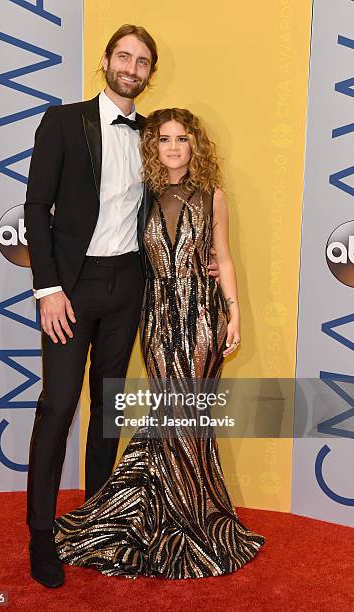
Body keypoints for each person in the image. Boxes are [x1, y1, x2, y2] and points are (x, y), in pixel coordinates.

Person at [24, 24, 219, 588]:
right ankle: (41, 535)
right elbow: (37, 209)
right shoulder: (63, 122)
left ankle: (95, 522)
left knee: (107, 412)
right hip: (71, 287)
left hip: (129, 285)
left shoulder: (154, 135)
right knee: (58, 405)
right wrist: (48, 288)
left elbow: (178, 204)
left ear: (150, 72)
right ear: (106, 60)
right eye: (124, 57)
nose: (132, 68)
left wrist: (207, 258)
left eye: (142, 62)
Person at [52, 109, 265, 579]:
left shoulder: (213, 197)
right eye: (164, 139)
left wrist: (235, 313)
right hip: (157, 321)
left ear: (195, 147)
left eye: (182, 139)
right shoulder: (141, 199)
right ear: (154, 147)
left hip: (204, 319)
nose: (172, 147)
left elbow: (223, 259)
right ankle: (162, 510)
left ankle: (192, 517)